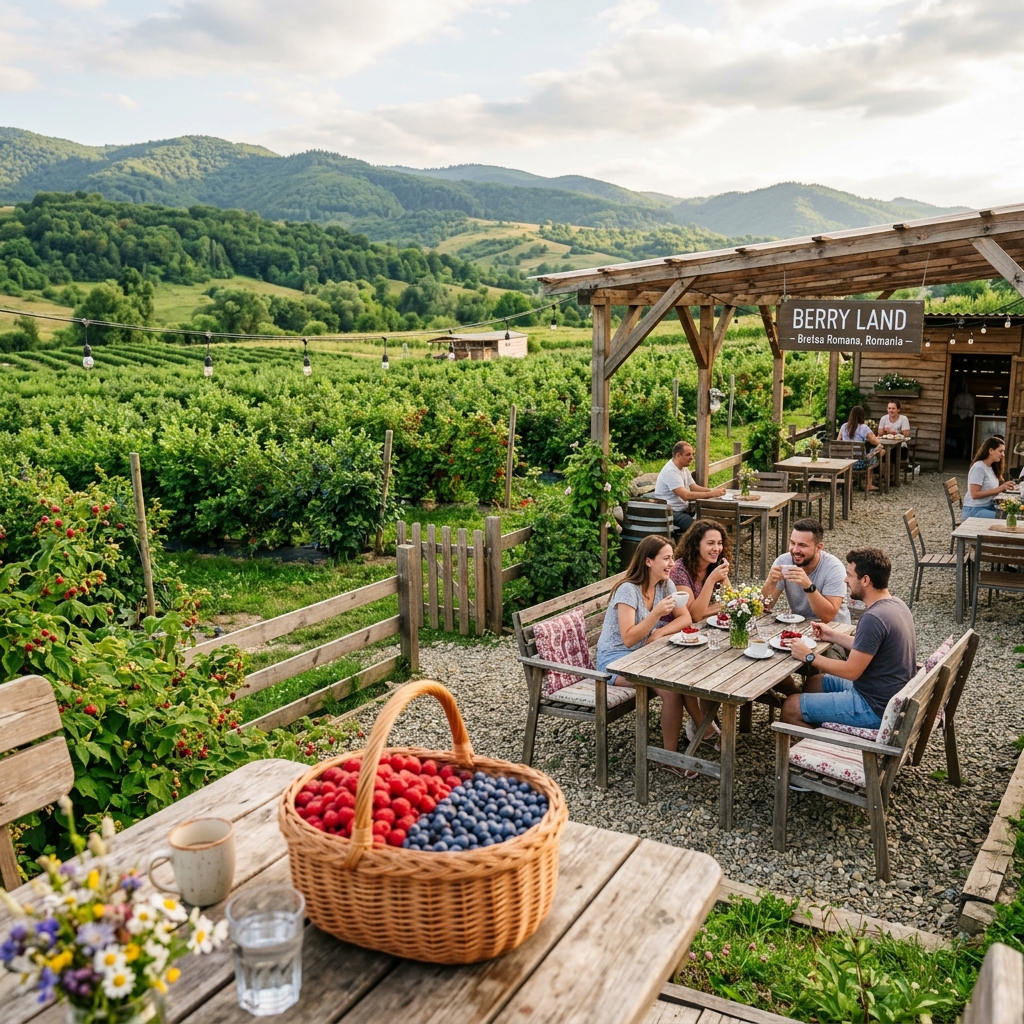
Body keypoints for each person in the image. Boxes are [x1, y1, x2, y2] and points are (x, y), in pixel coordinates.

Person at [781, 548, 916, 733]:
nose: (845, 580)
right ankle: (823, 720)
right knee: (814, 683)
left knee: (790, 707)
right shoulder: (896, 605)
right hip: (884, 691)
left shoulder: (873, 618)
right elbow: (868, 648)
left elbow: (851, 671)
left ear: (866, 580)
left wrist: (809, 656)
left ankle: (829, 747)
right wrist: (832, 635)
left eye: (849, 575)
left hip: (874, 707)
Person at [594, 535, 693, 776]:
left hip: (643, 654)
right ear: (648, 561)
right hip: (616, 661)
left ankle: (704, 730)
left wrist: (659, 631)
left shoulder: (664, 584)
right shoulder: (628, 590)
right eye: (666, 558)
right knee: (671, 691)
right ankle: (670, 759)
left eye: (672, 558)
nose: (672, 564)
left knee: (688, 677)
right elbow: (628, 638)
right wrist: (655, 614)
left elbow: (686, 618)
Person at [669, 520, 732, 755]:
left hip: (700, 632)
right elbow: (693, 614)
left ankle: (704, 721)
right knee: (706, 665)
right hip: (675, 632)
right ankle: (702, 725)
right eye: (710, 543)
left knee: (726, 660)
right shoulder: (680, 570)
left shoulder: (712, 566)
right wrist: (713, 582)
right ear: (696, 545)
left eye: (719, 543)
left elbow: (732, 603)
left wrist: (722, 580)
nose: (716, 548)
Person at [761, 518, 851, 624]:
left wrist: (808, 586)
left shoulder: (834, 568)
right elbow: (764, 608)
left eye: (802, 545)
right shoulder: (783, 561)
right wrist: (770, 581)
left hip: (835, 631)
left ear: (818, 547)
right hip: (799, 627)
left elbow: (828, 616)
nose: (795, 550)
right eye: (792, 543)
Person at [653, 441, 727, 534]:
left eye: (692, 454)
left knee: (708, 521)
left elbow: (693, 487)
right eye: (688, 455)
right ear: (678, 455)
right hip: (670, 512)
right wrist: (711, 494)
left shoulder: (683, 468)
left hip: (682, 509)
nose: (692, 458)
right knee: (698, 529)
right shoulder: (670, 471)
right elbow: (685, 496)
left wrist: (714, 491)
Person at [963, 436, 1016, 518]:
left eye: (1003, 452)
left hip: (989, 506)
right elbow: (974, 494)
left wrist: (1005, 487)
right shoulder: (979, 467)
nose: (1003, 455)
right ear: (991, 450)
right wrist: (999, 489)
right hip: (974, 510)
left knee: (1015, 513)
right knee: (1007, 518)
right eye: (1000, 451)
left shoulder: (991, 467)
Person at [838, 405, 883, 491]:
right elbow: (876, 442)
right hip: (860, 463)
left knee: (869, 454)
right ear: (862, 416)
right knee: (876, 453)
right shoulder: (863, 428)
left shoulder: (844, 426)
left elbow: (838, 441)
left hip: (845, 461)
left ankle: (849, 481)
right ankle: (869, 484)